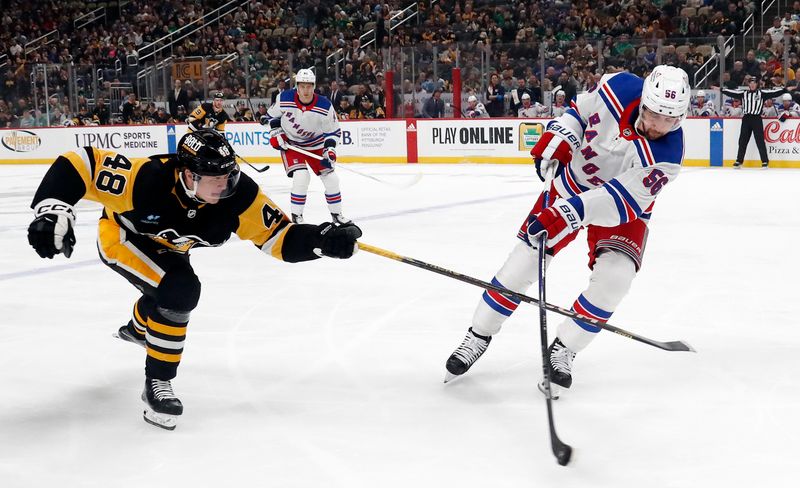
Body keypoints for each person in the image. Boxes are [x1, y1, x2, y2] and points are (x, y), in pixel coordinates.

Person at [26, 129, 362, 430]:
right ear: (188, 174)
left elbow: (278, 237)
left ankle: (141, 327)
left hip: (169, 251)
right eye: (214, 177)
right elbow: (81, 162)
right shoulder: (148, 179)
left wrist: (320, 240)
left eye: (229, 175)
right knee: (180, 289)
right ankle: (157, 384)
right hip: (122, 239)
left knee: (170, 291)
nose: (225, 184)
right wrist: (53, 209)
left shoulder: (239, 195)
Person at [444, 66, 690, 398]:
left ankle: (565, 347)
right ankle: (479, 334)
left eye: (670, 119)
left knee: (616, 278)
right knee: (524, 263)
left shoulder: (668, 155)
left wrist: (568, 214)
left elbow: (621, 201)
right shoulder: (619, 86)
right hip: (571, 184)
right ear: (644, 101)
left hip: (623, 209)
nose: (660, 126)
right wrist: (557, 140)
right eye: (655, 114)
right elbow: (580, 112)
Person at [260, 68, 349, 225]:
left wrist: (330, 150)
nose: (305, 90)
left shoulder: (324, 105)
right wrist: (277, 132)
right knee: (302, 177)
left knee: (332, 179)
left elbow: (333, 132)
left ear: (313, 86)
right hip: (292, 145)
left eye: (309, 86)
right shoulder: (285, 98)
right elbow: (271, 116)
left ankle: (336, 214)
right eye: (302, 86)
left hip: (316, 145)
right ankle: (297, 217)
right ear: (297, 86)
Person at [722, 78, 789, 168]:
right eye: (751, 83)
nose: (753, 84)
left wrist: (784, 90)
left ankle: (765, 161)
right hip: (746, 119)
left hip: (756, 119)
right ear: (748, 84)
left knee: (760, 140)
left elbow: (774, 93)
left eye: (754, 83)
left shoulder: (761, 93)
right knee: (742, 140)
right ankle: (739, 160)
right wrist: (721, 89)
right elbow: (732, 92)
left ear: (757, 84)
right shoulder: (744, 93)